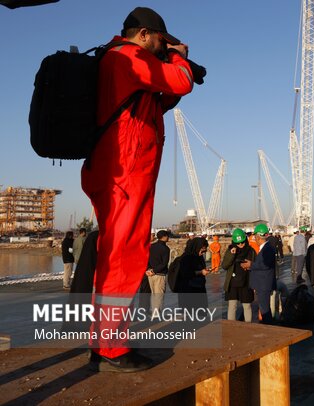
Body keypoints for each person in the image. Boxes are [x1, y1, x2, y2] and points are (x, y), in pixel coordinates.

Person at [83, 6, 194, 372]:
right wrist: (179, 58)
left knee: (112, 254)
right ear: (144, 34)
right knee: (125, 255)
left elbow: (155, 104)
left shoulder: (118, 63)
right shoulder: (128, 56)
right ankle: (112, 346)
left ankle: (103, 340)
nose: (162, 47)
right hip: (126, 171)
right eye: (160, 41)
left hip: (117, 168)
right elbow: (180, 81)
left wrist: (174, 73)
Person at [222, 228, 255, 322]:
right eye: (238, 243)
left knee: (247, 306)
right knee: (232, 306)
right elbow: (224, 266)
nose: (240, 245)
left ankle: (248, 326)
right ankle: (231, 326)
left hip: (246, 282)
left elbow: (256, 265)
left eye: (242, 242)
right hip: (232, 283)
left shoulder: (251, 251)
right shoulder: (230, 250)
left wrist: (250, 265)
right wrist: (231, 255)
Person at [249, 224, 277, 324]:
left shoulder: (267, 249)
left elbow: (265, 265)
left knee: (265, 310)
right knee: (263, 308)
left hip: (263, 285)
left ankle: (269, 330)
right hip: (262, 283)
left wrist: (251, 265)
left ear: (257, 236)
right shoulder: (266, 248)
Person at [177, 237, 209, 310]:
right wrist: (201, 272)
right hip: (188, 289)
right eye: (202, 250)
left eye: (205, 251)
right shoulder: (186, 257)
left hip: (199, 288)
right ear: (196, 247)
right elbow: (185, 273)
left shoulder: (199, 257)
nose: (203, 253)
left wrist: (204, 270)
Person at [146, 230, 170, 315]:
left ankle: (153, 311)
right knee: (159, 295)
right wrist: (154, 270)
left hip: (150, 274)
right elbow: (164, 263)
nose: (168, 237)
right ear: (164, 237)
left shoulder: (152, 246)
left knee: (153, 294)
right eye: (167, 236)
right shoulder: (165, 248)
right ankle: (156, 314)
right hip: (160, 274)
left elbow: (147, 259)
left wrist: (149, 270)